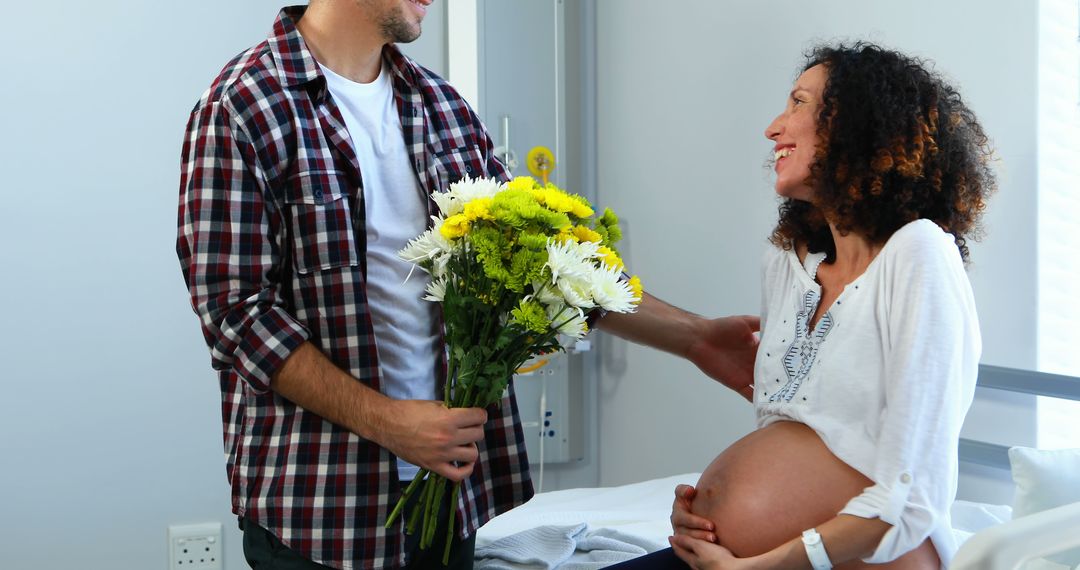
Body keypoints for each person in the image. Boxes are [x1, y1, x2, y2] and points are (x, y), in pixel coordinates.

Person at [176, 2, 759, 568]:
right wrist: (389, 422)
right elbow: (235, 314)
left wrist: (695, 338)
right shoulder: (240, 107)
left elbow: (545, 260)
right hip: (320, 509)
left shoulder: (439, 105)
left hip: (448, 495)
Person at [610, 42, 995, 570]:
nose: (774, 127)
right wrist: (711, 513)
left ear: (860, 125)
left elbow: (914, 494)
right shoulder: (786, 263)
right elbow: (789, 438)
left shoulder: (919, 252)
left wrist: (764, 562)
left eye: (798, 103)